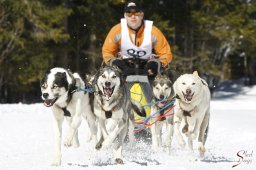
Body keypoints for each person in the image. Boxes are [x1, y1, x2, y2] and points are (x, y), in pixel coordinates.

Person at [102, 0, 173, 77]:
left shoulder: (153, 31)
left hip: (148, 69)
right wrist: (115, 62)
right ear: (125, 16)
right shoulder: (117, 30)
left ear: (142, 15)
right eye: (129, 13)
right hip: (123, 68)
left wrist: (157, 64)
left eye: (136, 12)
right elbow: (107, 51)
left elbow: (166, 53)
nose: (133, 16)